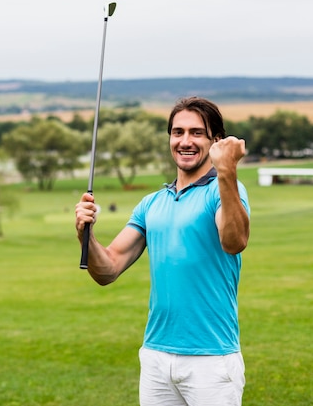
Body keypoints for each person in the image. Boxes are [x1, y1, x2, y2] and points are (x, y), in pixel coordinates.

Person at [75, 96, 250, 406]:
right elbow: (108, 269)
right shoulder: (152, 203)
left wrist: (228, 173)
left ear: (216, 141)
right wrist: (85, 236)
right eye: (177, 132)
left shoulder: (223, 191)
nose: (185, 141)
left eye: (197, 132)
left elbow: (234, 241)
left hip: (211, 359)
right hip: (156, 355)